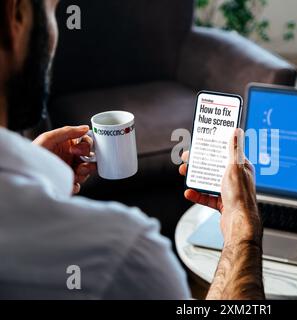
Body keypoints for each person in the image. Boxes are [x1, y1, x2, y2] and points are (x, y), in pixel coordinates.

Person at [0, 0, 263, 299]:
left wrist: (35, 176)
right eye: (51, 11)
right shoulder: (124, 256)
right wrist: (243, 231)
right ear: (15, 16)